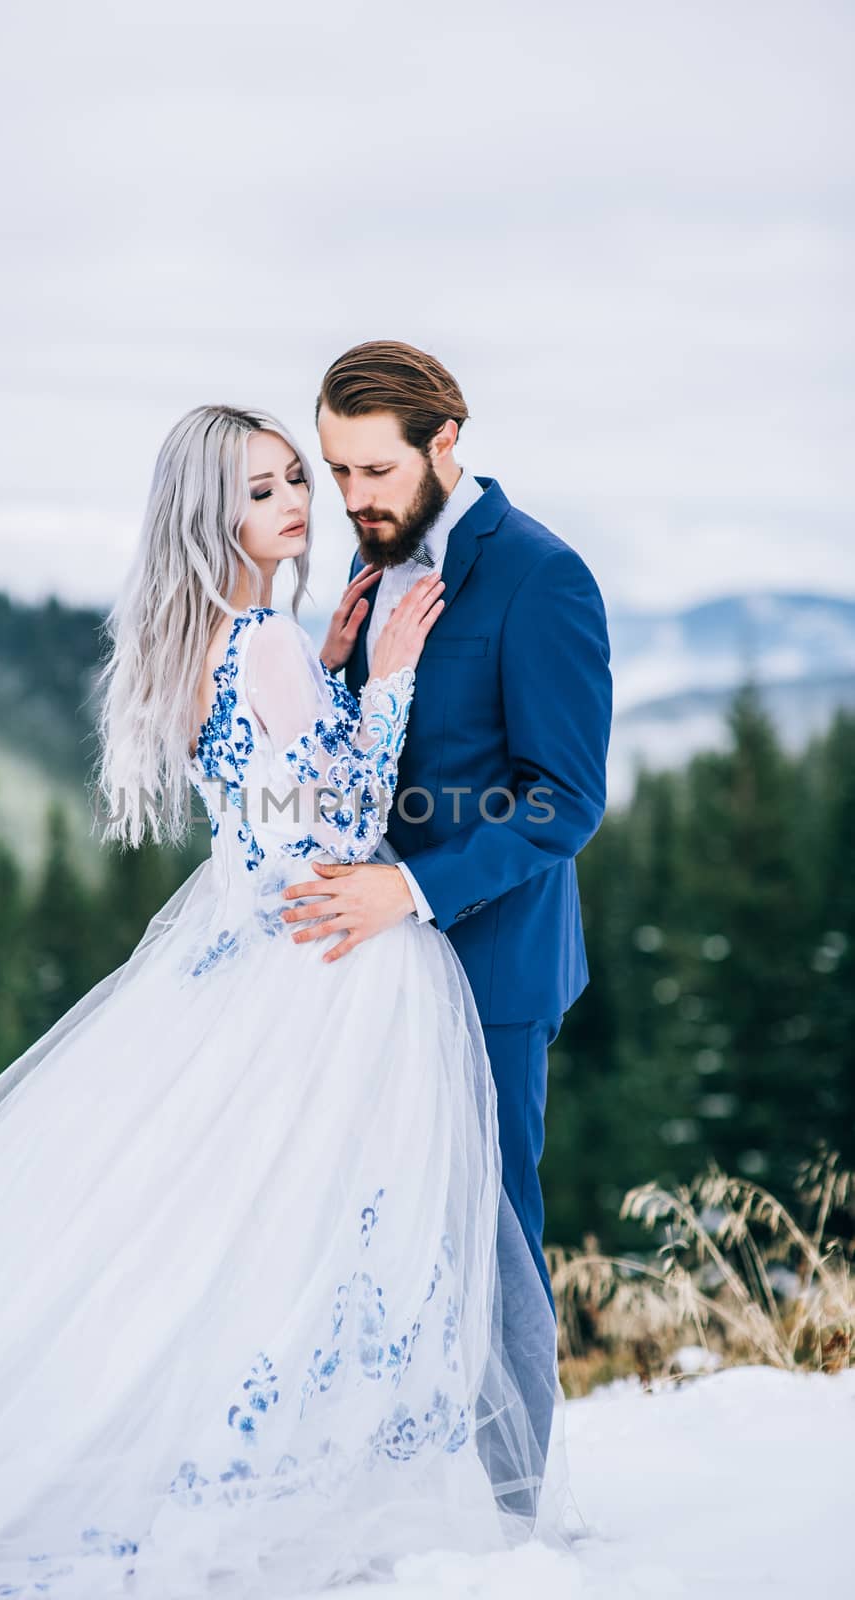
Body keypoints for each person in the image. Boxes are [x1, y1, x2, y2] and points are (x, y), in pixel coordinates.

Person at [0, 403, 584, 1600]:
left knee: (265, 1222)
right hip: (339, 961)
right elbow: (350, 815)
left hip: (259, 951)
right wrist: (388, 678)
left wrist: (328, 673)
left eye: (295, 481)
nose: (300, 504)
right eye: (266, 490)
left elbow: (268, 791)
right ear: (215, 514)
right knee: (357, 1228)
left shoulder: (222, 636)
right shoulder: (261, 634)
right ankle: (364, 1483)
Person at [283, 341, 613, 1367]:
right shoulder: (366, 560)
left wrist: (411, 888)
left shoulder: (543, 575)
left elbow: (565, 800)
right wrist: (335, 674)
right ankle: (413, 1482)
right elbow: (373, 749)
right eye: (337, 471)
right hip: (372, 973)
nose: (354, 498)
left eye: (376, 470)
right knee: (385, 1227)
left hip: (493, 969)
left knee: (494, 1230)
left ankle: (513, 1504)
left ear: (446, 442)